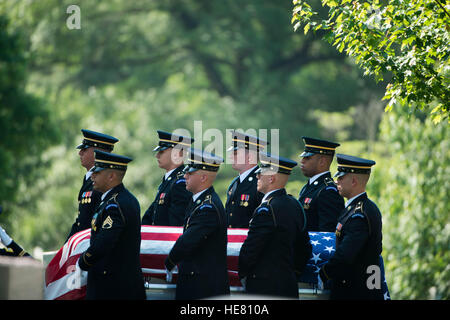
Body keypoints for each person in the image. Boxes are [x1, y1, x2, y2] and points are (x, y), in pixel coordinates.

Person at [239, 153, 312, 298]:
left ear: (271, 178)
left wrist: (243, 274)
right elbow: (304, 248)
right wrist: (293, 273)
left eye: (260, 173)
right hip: (288, 284)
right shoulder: (295, 205)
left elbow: (251, 249)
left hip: (263, 287)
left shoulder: (266, 209)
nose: (257, 176)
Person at [77, 150, 145, 300]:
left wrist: (83, 260)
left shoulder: (115, 205)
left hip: (113, 287)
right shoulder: (119, 200)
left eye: (98, 172)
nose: (92, 175)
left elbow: (105, 241)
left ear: (111, 176)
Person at [164, 148, 229, 300]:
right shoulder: (198, 201)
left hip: (203, 286)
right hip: (197, 281)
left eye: (190, 173)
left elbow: (188, 240)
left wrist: (170, 261)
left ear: (203, 177)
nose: (185, 175)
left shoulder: (208, 207)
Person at [318, 154, 383, 300]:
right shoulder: (358, 208)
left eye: (340, 177)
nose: (336, 181)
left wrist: (324, 273)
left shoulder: (359, 214)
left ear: (353, 181)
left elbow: (346, 254)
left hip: (356, 291)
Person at [66, 129, 119, 241]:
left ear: (97, 152)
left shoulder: (105, 182)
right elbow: (81, 221)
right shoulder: (88, 179)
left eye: (84, 149)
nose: (80, 153)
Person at [142, 130, 194, 226]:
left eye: (162, 152)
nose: (157, 155)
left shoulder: (181, 183)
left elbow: (177, 224)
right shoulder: (170, 180)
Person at [298, 136, 344, 232]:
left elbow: (327, 233)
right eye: (303, 157)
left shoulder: (328, 191)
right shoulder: (309, 187)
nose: (302, 161)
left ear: (322, 161)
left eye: (307, 158)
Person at [225, 131, 266, 228]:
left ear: (250, 157)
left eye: (235, 153)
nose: (230, 156)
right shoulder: (235, 183)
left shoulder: (261, 182)